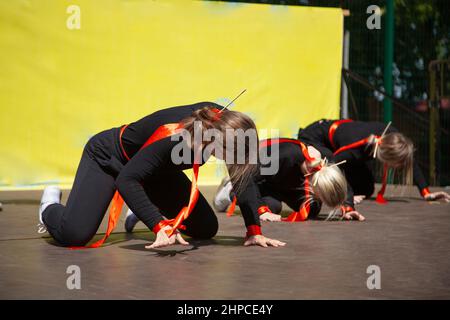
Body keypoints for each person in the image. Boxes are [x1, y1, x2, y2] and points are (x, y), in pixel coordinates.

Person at [38, 102, 286, 249]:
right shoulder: (176, 137)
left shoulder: (227, 125)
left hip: (156, 171)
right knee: (74, 235)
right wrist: (158, 225)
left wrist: (253, 229)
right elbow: (127, 178)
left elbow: (242, 179)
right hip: (111, 158)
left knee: (205, 228)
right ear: (213, 139)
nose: (228, 161)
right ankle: (49, 205)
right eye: (226, 155)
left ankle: (141, 206)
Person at [297, 119, 450, 213]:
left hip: (342, 146)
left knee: (367, 189)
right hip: (314, 138)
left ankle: (350, 191)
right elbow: (336, 164)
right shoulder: (359, 147)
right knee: (329, 161)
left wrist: (425, 192)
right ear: (387, 158)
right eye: (399, 164)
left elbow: (410, 159)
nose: (401, 167)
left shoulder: (392, 136)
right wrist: (347, 199)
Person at [213, 137, 359, 222]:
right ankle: (230, 191)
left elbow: (340, 183)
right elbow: (247, 178)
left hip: (287, 182)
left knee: (312, 210)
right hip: (259, 178)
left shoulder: (327, 161)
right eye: (321, 197)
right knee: (272, 208)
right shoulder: (283, 157)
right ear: (314, 185)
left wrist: (347, 207)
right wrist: (262, 211)